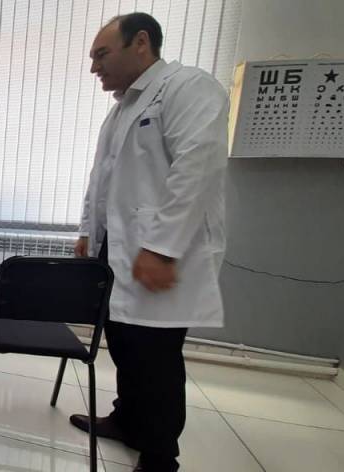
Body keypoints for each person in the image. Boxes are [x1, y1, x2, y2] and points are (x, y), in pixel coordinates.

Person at [68, 12, 228, 472]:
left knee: (155, 357)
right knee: (123, 343)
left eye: (101, 54)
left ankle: (160, 457)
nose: (94, 67)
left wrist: (161, 248)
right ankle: (128, 421)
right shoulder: (122, 109)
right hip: (118, 249)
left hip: (158, 252)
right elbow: (100, 181)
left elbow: (195, 171)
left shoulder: (188, 88)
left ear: (141, 42)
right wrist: (87, 231)